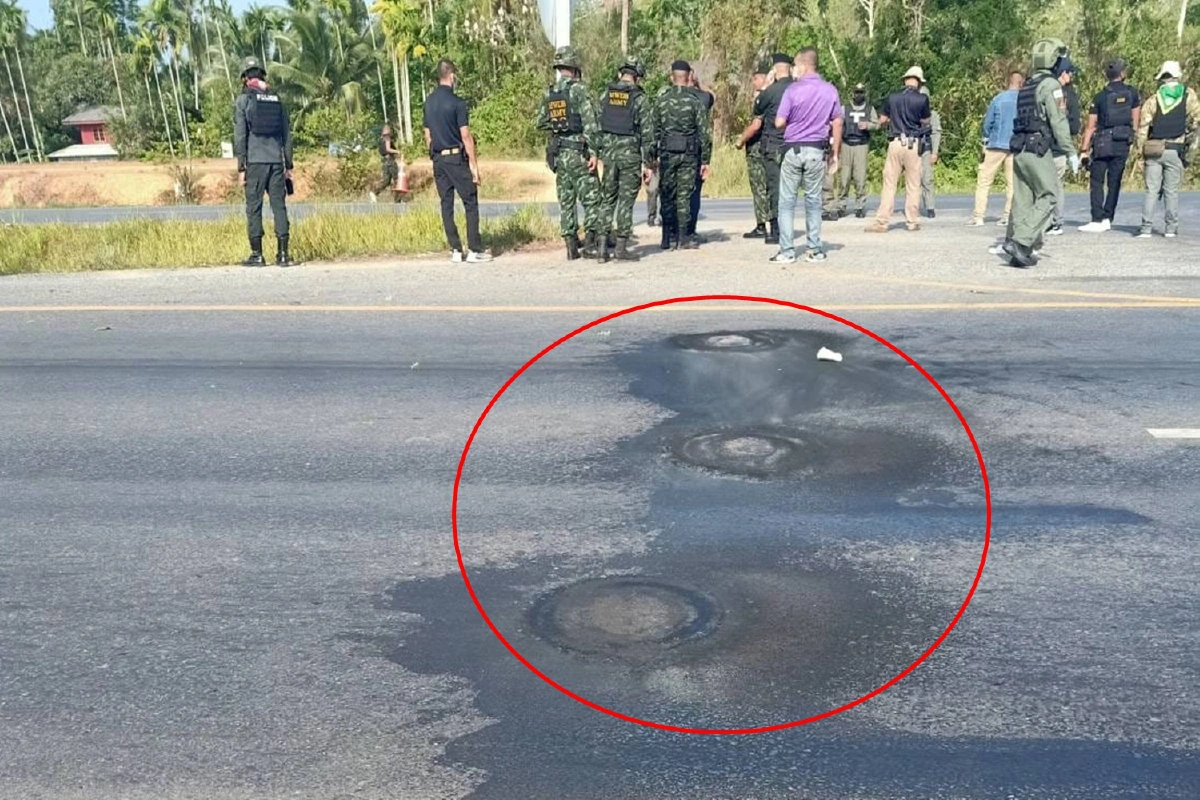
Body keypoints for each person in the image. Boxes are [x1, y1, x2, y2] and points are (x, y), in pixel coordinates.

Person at [994, 39, 1079, 268]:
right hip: (1037, 148)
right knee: (1049, 195)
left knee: (1022, 200)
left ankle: (1017, 248)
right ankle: (1022, 242)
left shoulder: (1028, 84)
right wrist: (1070, 151)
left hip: (1019, 148)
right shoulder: (1051, 86)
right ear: (1053, 60)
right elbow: (1058, 120)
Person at [770, 47, 843, 264]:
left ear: (803, 65)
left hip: (793, 149)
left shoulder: (792, 90)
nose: (794, 71)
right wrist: (835, 154)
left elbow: (779, 122)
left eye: (795, 66)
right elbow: (837, 121)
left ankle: (787, 251)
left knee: (786, 202)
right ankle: (814, 249)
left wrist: (794, 121)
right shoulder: (830, 90)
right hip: (816, 150)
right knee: (813, 201)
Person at [537, 46, 603, 260]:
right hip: (578, 153)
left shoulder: (550, 93)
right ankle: (591, 243)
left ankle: (570, 246)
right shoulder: (578, 90)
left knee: (566, 200)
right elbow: (591, 123)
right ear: (574, 68)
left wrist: (559, 125)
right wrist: (594, 152)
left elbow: (541, 122)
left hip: (559, 155)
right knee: (592, 198)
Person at [423, 59, 490, 263]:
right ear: (451, 76)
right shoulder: (457, 103)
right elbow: (466, 136)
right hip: (455, 158)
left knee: (447, 204)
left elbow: (427, 135)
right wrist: (474, 166)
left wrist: (435, 155)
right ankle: (474, 250)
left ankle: (455, 249)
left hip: (438, 160)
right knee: (470, 201)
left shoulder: (428, 103)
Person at [233, 56, 294, 267]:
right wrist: (289, 166)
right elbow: (287, 135)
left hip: (256, 163)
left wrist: (241, 166)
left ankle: (257, 255)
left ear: (245, 79)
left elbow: (240, 136)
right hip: (277, 163)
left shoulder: (243, 101)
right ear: (263, 75)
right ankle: (283, 255)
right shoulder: (277, 100)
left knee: (254, 207)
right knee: (279, 206)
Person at [1135, 60, 1200, 238]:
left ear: (1162, 77)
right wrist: (1190, 153)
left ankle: (1146, 228)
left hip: (1154, 149)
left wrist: (1141, 154)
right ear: (1177, 76)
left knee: (1151, 190)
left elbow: (1142, 129)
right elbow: (1196, 124)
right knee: (1171, 191)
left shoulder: (1154, 99)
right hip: (1174, 149)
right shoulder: (1189, 95)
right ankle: (1170, 228)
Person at [596, 57, 652, 262]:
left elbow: (597, 124)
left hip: (609, 156)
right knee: (626, 202)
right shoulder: (640, 99)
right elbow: (648, 134)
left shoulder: (606, 95)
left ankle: (601, 249)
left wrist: (597, 151)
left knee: (607, 200)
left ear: (621, 74)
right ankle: (620, 248)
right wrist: (648, 163)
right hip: (630, 157)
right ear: (636, 77)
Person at [652, 60, 712, 250]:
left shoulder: (661, 101)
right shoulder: (695, 101)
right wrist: (705, 160)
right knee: (684, 196)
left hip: (667, 155)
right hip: (688, 155)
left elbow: (653, 132)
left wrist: (651, 158)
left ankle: (666, 237)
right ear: (688, 78)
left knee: (667, 194)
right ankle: (683, 237)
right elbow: (704, 134)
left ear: (672, 77)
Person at [866, 66, 930, 233]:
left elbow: (883, 120)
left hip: (895, 142)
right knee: (913, 184)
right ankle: (912, 221)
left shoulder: (892, 97)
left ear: (905, 80)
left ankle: (882, 221)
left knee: (889, 183)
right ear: (919, 82)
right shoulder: (922, 99)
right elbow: (926, 121)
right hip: (913, 143)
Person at [1079, 58, 1140, 232]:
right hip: (1122, 141)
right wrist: (1132, 136)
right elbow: (1136, 119)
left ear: (1107, 75)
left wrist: (1084, 149)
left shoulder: (1100, 97)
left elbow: (1090, 126)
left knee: (1097, 180)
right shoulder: (1132, 93)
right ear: (1123, 74)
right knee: (1115, 181)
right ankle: (1108, 217)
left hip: (1103, 142)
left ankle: (1096, 218)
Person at [741, 53, 794, 244]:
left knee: (773, 188)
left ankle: (776, 231)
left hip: (773, 146)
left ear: (774, 69)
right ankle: (789, 227)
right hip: (795, 145)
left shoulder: (770, 91)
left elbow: (758, 109)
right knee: (791, 189)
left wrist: (767, 86)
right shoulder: (798, 88)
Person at [969, 72, 1022, 227]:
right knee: (1012, 183)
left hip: (995, 145)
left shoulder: (998, 99)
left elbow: (988, 123)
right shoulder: (1023, 100)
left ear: (1008, 82)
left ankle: (979, 216)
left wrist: (986, 138)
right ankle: (1007, 216)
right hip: (1014, 146)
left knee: (984, 181)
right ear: (1020, 83)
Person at [735, 62, 771, 238]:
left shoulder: (764, 98)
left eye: (755, 79)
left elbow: (756, 125)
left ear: (764, 78)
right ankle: (769, 222)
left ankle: (762, 225)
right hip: (768, 146)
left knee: (759, 187)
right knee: (767, 186)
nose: (753, 82)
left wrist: (741, 140)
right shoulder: (773, 96)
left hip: (758, 148)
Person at [834, 82, 879, 219]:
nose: (859, 95)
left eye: (861, 93)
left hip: (861, 145)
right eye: (856, 93)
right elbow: (838, 124)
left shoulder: (870, 109)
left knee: (860, 177)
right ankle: (841, 205)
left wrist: (868, 125)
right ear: (853, 94)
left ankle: (860, 205)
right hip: (847, 144)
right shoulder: (844, 108)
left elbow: (877, 125)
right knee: (844, 177)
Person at [1048, 58, 1082, 235]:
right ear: (1063, 73)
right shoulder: (1069, 95)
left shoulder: (1045, 89)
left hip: (1046, 146)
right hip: (1061, 147)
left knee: (1046, 185)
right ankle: (1056, 221)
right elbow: (1075, 126)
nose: (1071, 75)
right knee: (1057, 185)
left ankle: (1052, 221)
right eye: (1070, 72)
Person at [686, 70, 715, 241]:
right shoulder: (702, 97)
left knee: (674, 192)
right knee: (694, 193)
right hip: (695, 151)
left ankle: (672, 231)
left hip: (672, 151)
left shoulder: (667, 96)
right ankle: (690, 230)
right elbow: (713, 96)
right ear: (692, 77)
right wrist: (700, 84)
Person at [917, 85, 942, 218]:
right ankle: (914, 207)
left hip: (926, 148)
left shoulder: (933, 115)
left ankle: (930, 206)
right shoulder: (911, 112)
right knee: (914, 180)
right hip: (912, 149)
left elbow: (936, 134)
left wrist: (935, 152)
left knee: (927, 178)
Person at [370, 123, 400, 203]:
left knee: (386, 181)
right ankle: (398, 200)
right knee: (397, 179)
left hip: (384, 161)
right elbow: (388, 149)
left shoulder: (381, 139)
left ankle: (374, 192)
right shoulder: (387, 138)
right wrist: (397, 151)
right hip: (390, 161)